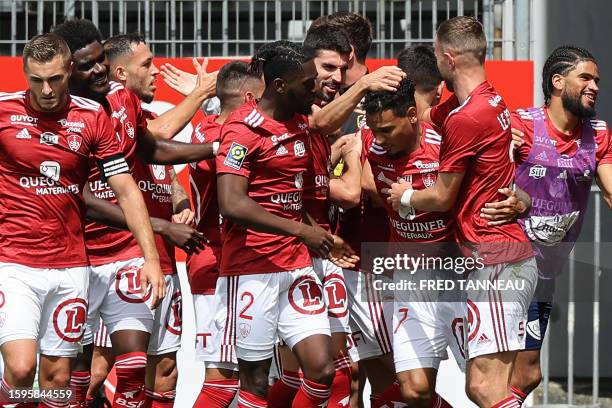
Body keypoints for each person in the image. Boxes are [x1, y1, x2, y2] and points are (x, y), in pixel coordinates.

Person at [52, 18, 218, 408]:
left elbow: (152, 148)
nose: (98, 70)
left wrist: (214, 149)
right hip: (81, 260)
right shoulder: (60, 119)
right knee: (72, 374)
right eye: (87, 64)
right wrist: (160, 226)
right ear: (66, 69)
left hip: (133, 255)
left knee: (141, 365)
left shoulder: (121, 100)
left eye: (100, 61)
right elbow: (83, 198)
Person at [0, 33, 161, 408]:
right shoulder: (3, 112)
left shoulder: (91, 116)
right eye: (36, 80)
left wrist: (150, 258)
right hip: (15, 264)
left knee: (58, 380)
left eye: (55, 79)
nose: (46, 89)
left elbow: (126, 189)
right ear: (24, 73)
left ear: (69, 71)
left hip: (72, 266)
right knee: (22, 369)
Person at [385, 16, 537, 408]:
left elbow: (441, 197)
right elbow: (429, 114)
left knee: (486, 389)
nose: (435, 60)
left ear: (449, 59)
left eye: (436, 53)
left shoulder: (468, 117)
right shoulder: (488, 100)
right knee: (488, 387)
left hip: (496, 256)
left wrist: (405, 196)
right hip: (494, 257)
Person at [215, 40, 336, 408]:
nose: (316, 88)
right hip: (251, 269)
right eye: (308, 82)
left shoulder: (303, 125)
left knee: (323, 370)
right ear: (281, 86)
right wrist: (303, 231)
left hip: (296, 265)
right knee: (255, 384)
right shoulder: (242, 129)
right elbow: (232, 203)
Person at [503, 45, 612, 406]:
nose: (594, 85)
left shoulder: (597, 135)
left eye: (597, 79)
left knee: (528, 372)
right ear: (557, 81)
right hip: (503, 266)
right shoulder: (520, 125)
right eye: (585, 77)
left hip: (544, 274)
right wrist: (505, 153)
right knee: (491, 373)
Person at [187, 60, 265, 407]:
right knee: (222, 381)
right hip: (215, 265)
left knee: (257, 378)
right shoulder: (214, 137)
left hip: (250, 263)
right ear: (250, 99)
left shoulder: (211, 128)